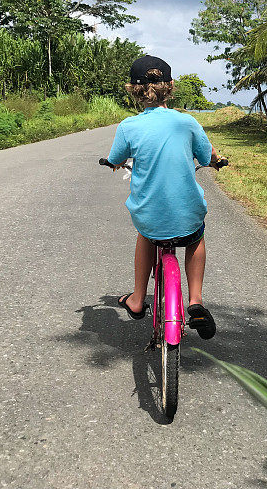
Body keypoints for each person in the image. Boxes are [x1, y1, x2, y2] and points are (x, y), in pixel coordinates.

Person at [106, 55, 219, 339]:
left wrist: (114, 163)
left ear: (133, 89)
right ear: (170, 86)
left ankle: (136, 299)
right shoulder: (188, 122)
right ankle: (195, 301)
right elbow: (207, 157)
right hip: (188, 214)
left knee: (145, 234)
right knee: (196, 237)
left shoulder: (128, 127)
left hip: (150, 217)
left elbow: (115, 158)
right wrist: (217, 159)